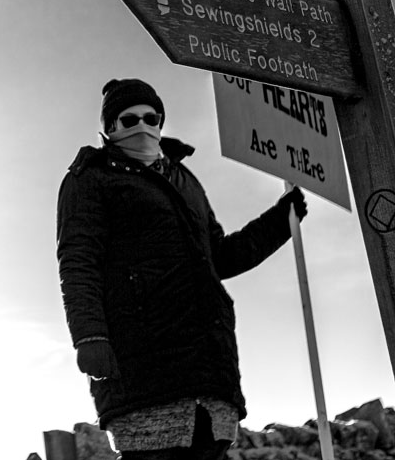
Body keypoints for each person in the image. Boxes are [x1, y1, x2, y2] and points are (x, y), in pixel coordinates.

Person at [55, 78, 308, 459]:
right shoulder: (90, 179)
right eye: (128, 120)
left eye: (151, 117)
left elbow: (220, 256)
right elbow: (78, 262)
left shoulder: (185, 179)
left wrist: (279, 220)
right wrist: (89, 336)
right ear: (109, 128)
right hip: (143, 372)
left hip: (210, 372)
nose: (142, 125)